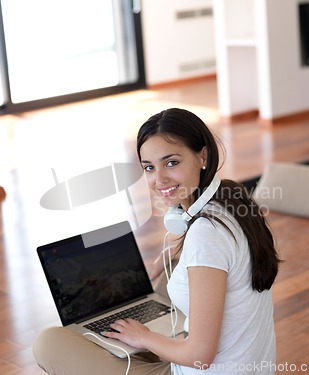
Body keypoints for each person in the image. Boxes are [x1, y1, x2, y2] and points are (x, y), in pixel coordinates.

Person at [33, 108, 281, 375]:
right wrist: (166, 256)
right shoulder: (232, 198)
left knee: (48, 343)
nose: (159, 179)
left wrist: (143, 337)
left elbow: (200, 356)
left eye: (171, 162)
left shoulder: (205, 234)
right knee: (166, 278)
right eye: (149, 167)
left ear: (203, 156)